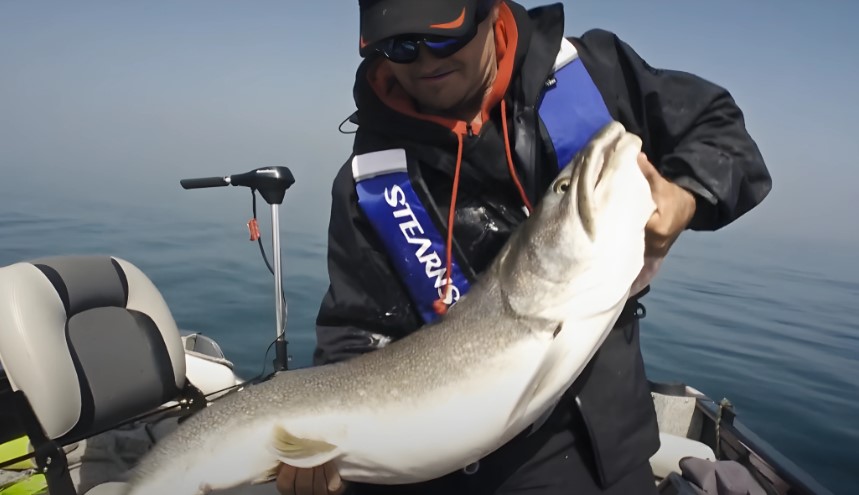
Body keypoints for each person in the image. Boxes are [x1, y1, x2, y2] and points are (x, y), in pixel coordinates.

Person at [276, 0, 771, 494]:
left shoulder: (592, 74)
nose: (425, 61)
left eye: (443, 36)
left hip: (610, 454)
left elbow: (719, 128)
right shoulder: (369, 184)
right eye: (400, 47)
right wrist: (317, 449)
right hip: (455, 471)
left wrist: (686, 196)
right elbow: (354, 334)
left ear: (490, 12)